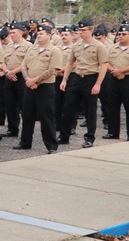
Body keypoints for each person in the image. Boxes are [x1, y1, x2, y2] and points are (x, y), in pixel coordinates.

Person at [60, 18, 109, 148]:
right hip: (76, 78)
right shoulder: (76, 46)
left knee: (90, 110)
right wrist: (65, 80)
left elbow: (103, 65)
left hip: (91, 78)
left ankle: (89, 138)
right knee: (68, 107)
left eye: (83, 30)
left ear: (91, 30)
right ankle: (64, 136)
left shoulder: (99, 46)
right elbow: (70, 63)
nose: (80, 32)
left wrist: (98, 84)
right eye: (79, 30)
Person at [16, 23, 63, 153]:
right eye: (38, 33)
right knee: (27, 115)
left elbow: (52, 70)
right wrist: (27, 80)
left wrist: (34, 80)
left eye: (42, 33)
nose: (39, 35)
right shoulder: (32, 49)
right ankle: (25, 142)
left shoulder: (54, 51)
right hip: (29, 86)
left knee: (46, 117)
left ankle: (51, 146)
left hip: (45, 87)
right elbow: (24, 66)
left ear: (49, 35)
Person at [102, 23, 129, 141]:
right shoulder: (112, 47)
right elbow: (105, 61)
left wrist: (122, 71)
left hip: (127, 79)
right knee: (112, 106)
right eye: (120, 34)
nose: (121, 36)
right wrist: (114, 71)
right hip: (113, 79)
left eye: (124, 34)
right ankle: (113, 132)